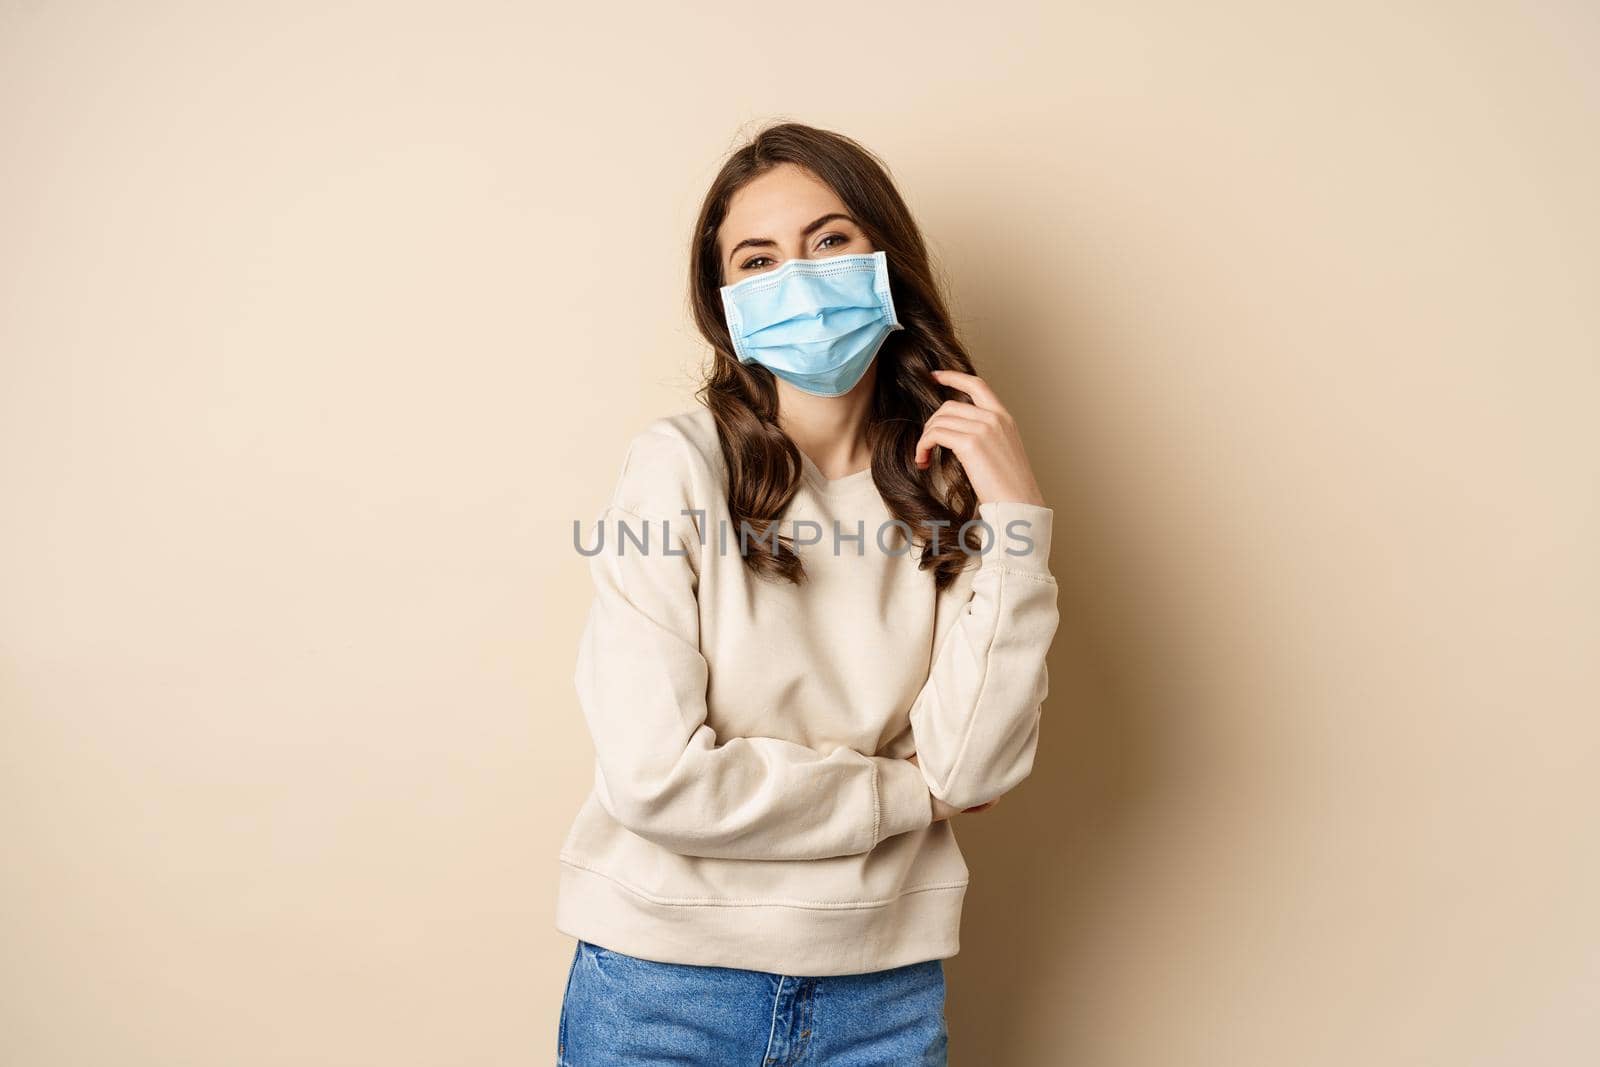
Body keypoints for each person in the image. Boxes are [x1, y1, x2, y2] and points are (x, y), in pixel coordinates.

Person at [553, 121, 1060, 1066]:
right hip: (660, 987)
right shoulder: (676, 466)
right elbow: (656, 779)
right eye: (758, 258)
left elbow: (979, 766)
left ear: (885, 258)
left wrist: (1019, 517)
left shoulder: (950, 485)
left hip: (884, 995)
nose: (798, 277)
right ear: (728, 305)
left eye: (828, 241)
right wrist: (908, 793)